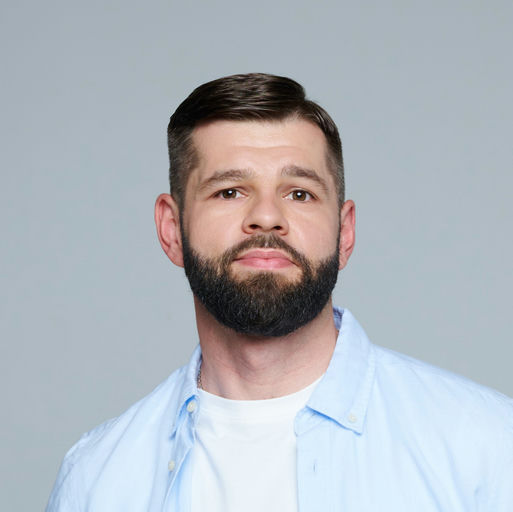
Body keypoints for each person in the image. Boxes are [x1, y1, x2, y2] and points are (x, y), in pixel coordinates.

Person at [46, 73, 513, 511]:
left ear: (345, 233)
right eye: (230, 191)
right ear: (172, 230)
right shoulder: (95, 479)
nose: (267, 217)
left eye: (299, 193)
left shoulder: (489, 448)